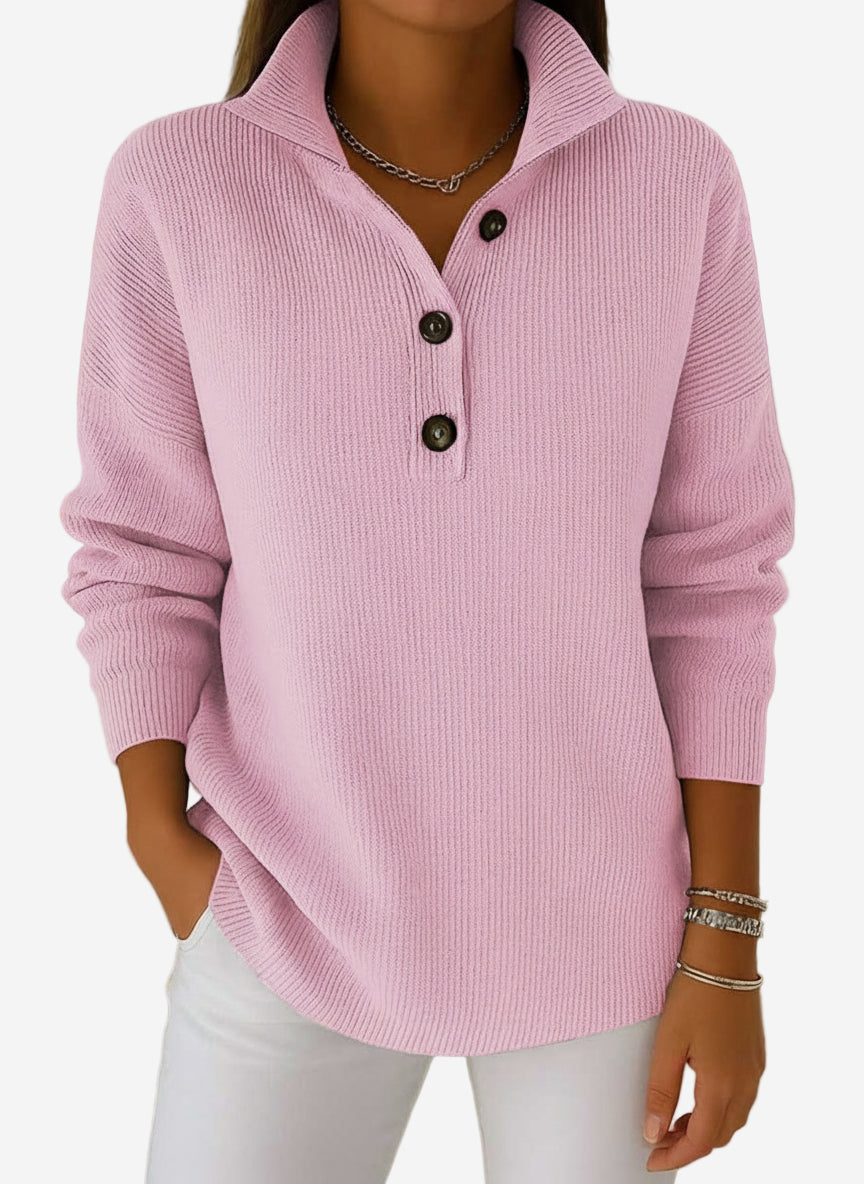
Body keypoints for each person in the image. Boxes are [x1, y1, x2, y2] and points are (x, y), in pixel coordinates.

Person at [58, 0, 795, 1180]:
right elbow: (142, 546)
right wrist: (160, 837)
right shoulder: (180, 183)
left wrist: (726, 941)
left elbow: (713, 579)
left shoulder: (676, 179)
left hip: (607, 938)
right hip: (279, 910)